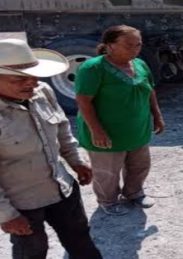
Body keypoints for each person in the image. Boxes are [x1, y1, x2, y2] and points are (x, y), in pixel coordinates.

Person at [0, 39, 102, 259]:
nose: (33, 83)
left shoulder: (43, 91)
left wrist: (76, 160)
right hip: (22, 203)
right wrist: (6, 215)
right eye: (20, 79)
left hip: (62, 188)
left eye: (35, 75)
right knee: (32, 252)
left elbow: (62, 128)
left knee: (81, 241)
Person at [75, 26, 166, 216]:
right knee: (107, 171)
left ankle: (134, 193)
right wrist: (96, 130)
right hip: (106, 130)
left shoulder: (140, 64)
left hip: (136, 128)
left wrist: (157, 116)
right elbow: (84, 101)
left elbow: (149, 90)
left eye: (138, 45)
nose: (134, 49)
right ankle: (107, 201)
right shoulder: (93, 68)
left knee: (139, 165)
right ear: (110, 45)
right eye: (128, 45)